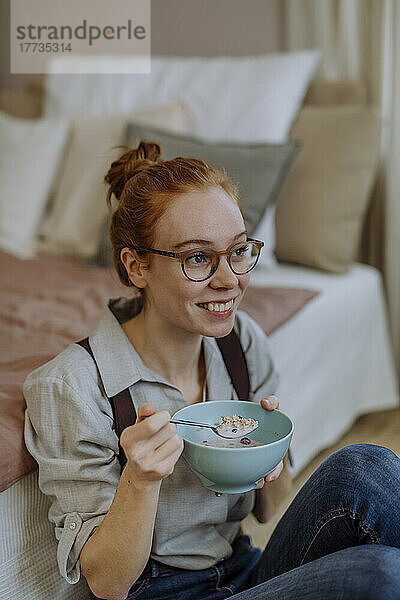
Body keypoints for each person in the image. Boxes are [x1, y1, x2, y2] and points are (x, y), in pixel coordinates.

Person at [23, 142, 400, 600]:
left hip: (241, 570)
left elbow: (268, 511)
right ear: (136, 264)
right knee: (379, 575)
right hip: (158, 594)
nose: (230, 280)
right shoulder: (74, 386)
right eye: (198, 258)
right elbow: (107, 582)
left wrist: (269, 455)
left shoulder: (242, 343)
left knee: (367, 466)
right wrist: (139, 481)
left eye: (238, 251)